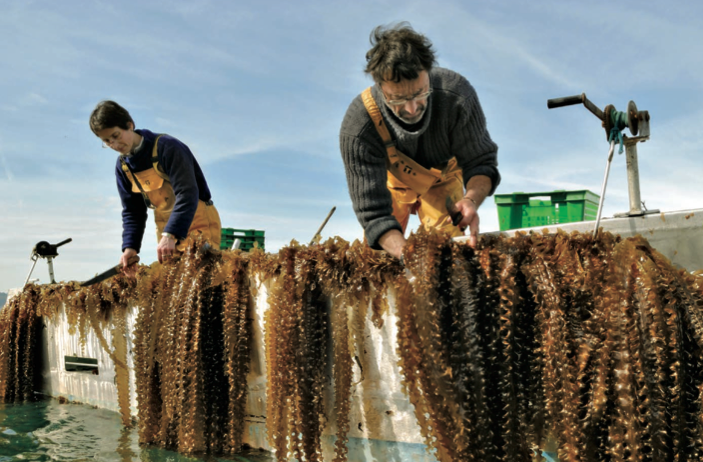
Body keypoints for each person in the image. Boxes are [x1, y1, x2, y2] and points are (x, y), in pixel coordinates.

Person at [339, 23, 500, 260]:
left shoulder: (457, 96)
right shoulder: (359, 124)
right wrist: (411, 259)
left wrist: (471, 199)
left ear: (428, 73)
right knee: (378, 259)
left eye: (420, 93)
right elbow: (373, 214)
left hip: (443, 179)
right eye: (398, 99)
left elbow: (481, 163)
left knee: (451, 254)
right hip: (392, 185)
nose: (412, 109)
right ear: (380, 88)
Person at [89, 101, 221, 274]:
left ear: (130, 125)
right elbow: (132, 211)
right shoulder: (123, 167)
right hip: (166, 232)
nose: (114, 144)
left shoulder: (167, 147)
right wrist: (130, 248)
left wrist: (171, 234)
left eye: (116, 135)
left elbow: (187, 193)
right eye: (107, 141)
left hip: (198, 224)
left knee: (202, 280)